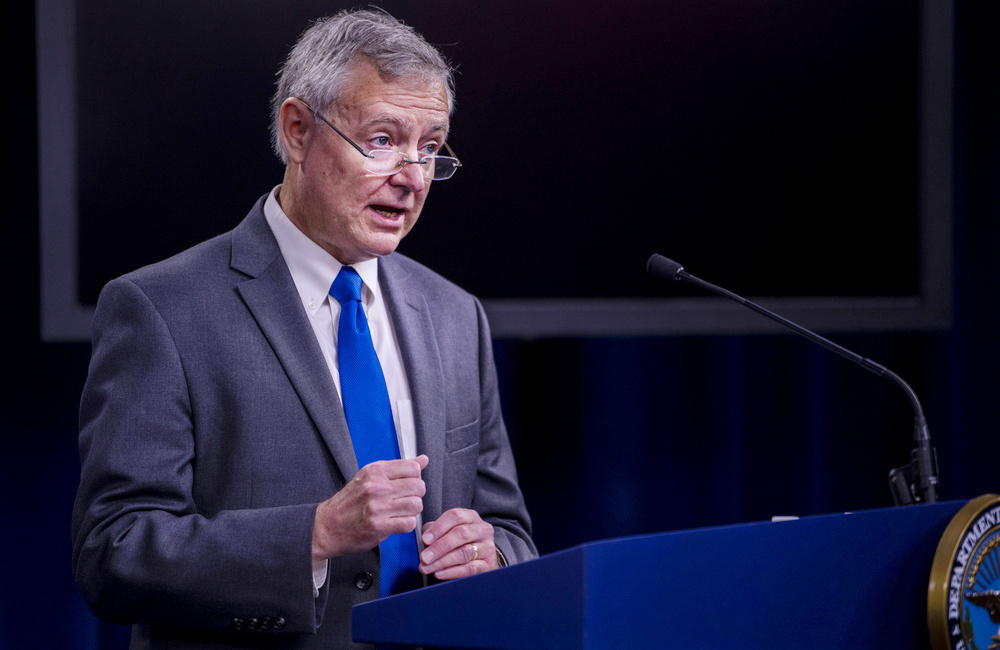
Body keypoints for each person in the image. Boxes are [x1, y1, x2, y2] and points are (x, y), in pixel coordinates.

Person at [71, 10, 536, 649]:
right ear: (297, 131)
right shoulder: (161, 308)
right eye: (382, 139)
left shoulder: (455, 315)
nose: (411, 177)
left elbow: (510, 530)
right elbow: (113, 552)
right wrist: (313, 535)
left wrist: (494, 556)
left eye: (429, 148)